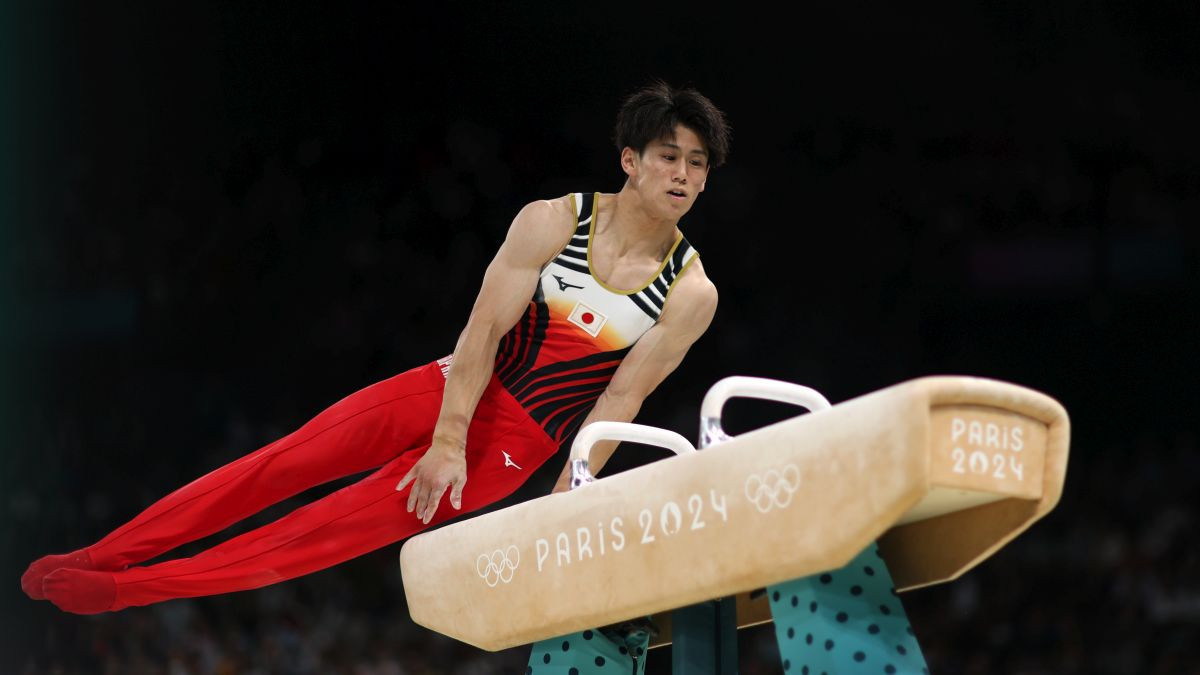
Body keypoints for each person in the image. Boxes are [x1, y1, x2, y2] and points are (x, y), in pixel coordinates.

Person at [21, 80, 729, 615]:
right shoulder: (553, 222)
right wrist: (448, 436)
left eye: (698, 164)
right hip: (451, 386)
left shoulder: (689, 292)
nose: (685, 175)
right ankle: (100, 552)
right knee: (278, 465)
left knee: (318, 532)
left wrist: (558, 507)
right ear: (631, 159)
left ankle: (125, 590)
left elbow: (619, 399)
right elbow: (481, 332)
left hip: (512, 445)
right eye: (671, 155)